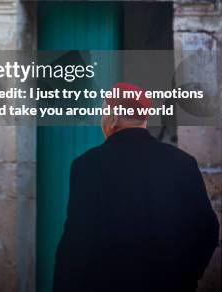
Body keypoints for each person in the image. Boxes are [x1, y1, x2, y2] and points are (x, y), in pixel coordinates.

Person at [53, 82, 220, 292]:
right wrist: (187, 275)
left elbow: (77, 241)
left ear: (111, 116)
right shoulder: (182, 162)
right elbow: (207, 228)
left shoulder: (87, 165)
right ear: (144, 118)